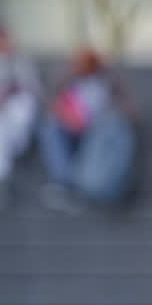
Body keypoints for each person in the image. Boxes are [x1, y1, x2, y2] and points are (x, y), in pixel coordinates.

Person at [39, 47, 137, 209]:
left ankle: (95, 182)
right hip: (74, 132)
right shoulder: (70, 83)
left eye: (88, 63)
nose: (84, 68)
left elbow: (132, 112)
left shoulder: (109, 83)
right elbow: (50, 104)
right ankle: (65, 182)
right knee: (50, 126)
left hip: (99, 135)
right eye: (80, 64)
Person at [0, 23, 41, 187]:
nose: (7, 42)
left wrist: (10, 92)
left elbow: (34, 93)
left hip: (12, 121)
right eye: (2, 38)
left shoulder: (19, 61)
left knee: (21, 107)